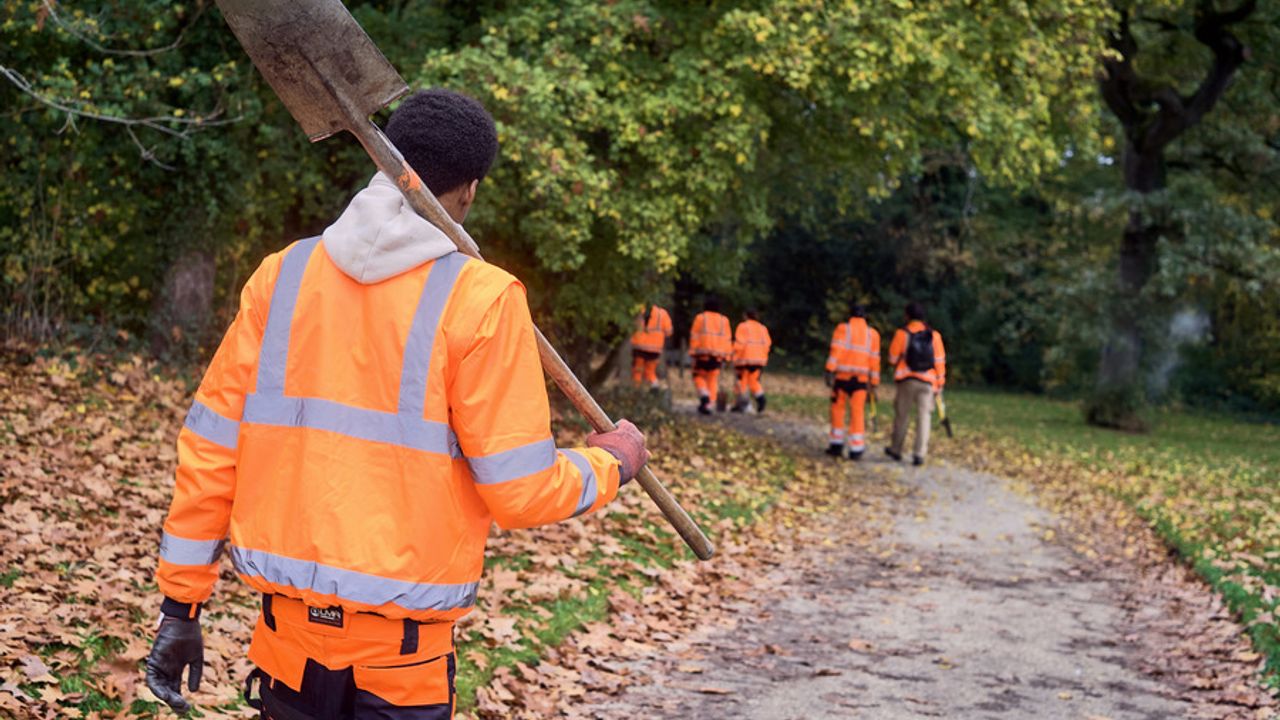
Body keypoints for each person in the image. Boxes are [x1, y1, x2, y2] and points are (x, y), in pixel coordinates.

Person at [144, 88, 650, 719]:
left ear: (382, 164)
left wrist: (180, 607)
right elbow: (523, 492)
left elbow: (211, 452)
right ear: (469, 190)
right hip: (403, 669)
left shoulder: (283, 276)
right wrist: (612, 463)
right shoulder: (484, 301)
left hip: (286, 653)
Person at [886, 301, 946, 466]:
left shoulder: (902, 333)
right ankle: (919, 454)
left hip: (906, 380)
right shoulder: (935, 336)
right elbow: (939, 361)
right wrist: (940, 383)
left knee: (902, 416)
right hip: (928, 382)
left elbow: (891, 359)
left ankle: (896, 449)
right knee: (924, 418)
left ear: (907, 316)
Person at [824, 304, 880, 459]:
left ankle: (836, 445)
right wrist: (874, 383)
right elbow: (875, 360)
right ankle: (856, 449)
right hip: (861, 380)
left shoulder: (843, 329)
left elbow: (836, 350)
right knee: (857, 412)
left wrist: (829, 369)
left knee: (837, 410)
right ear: (865, 316)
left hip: (842, 378)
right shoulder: (872, 335)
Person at [688, 296, 732, 415]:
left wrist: (692, 354)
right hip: (718, 356)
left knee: (698, 376)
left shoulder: (700, 318)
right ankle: (709, 404)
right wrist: (726, 357)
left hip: (702, 355)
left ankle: (704, 396)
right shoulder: (724, 321)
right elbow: (727, 340)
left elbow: (694, 337)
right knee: (713, 379)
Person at [730, 309, 772, 413]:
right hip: (759, 361)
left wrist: (733, 356)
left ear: (746, 316)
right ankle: (761, 399)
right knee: (754, 382)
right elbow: (767, 344)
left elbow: (740, 344)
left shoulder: (743, 326)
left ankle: (742, 404)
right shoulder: (763, 328)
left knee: (741, 382)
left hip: (744, 360)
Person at [630, 304, 673, 390]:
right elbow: (669, 332)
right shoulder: (663, 313)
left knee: (637, 371)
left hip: (639, 347)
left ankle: (636, 391)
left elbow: (631, 326)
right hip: (654, 349)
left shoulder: (638, 310)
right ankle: (655, 388)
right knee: (650, 372)